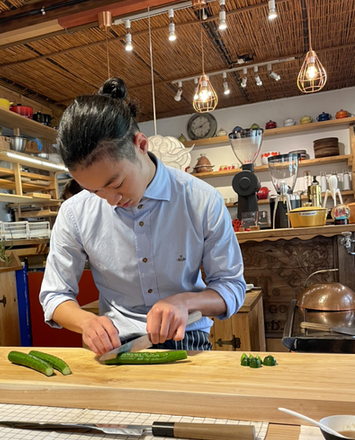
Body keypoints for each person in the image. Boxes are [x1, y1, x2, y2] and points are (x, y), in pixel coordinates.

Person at [40, 77, 245, 356]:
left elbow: (231, 286)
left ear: (141, 145)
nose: (110, 200)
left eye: (116, 184)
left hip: (188, 339)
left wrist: (184, 302)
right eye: (94, 190)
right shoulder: (75, 212)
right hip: (117, 346)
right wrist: (86, 322)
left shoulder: (202, 200)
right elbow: (55, 295)